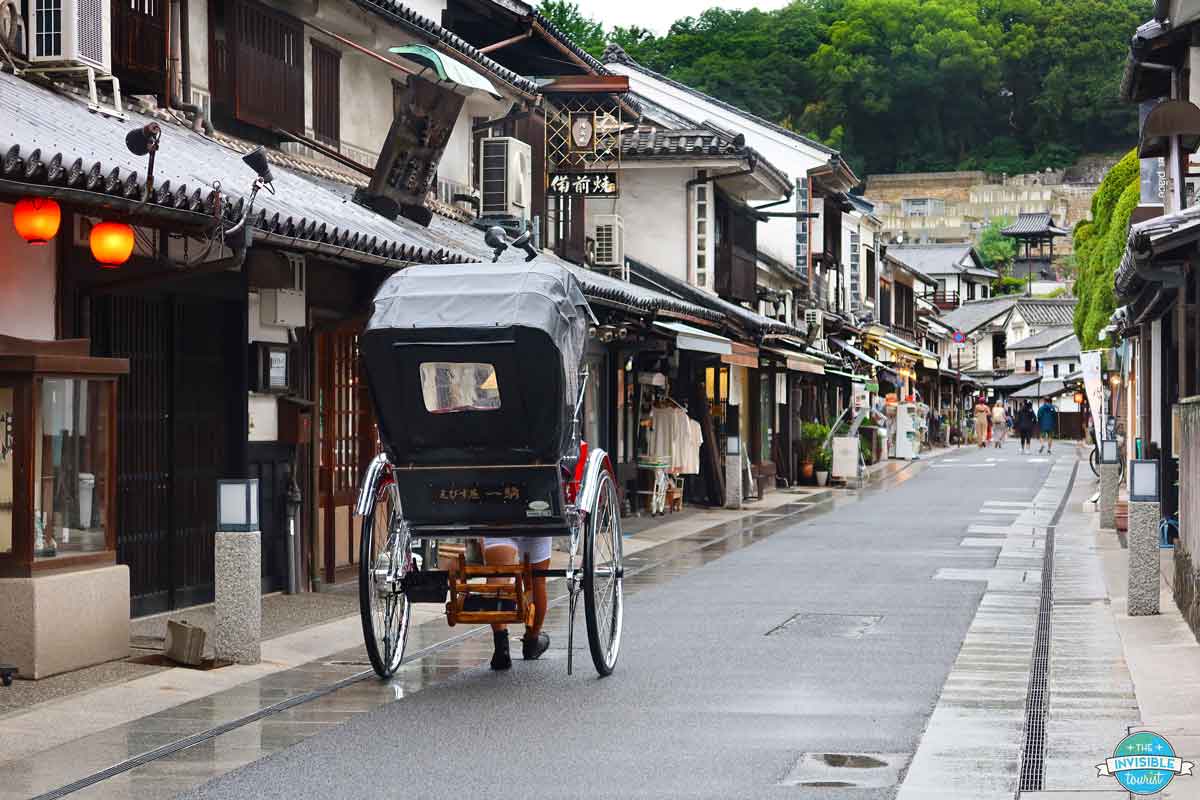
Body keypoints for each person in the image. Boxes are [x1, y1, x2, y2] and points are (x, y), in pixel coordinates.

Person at [481, 536, 551, 670]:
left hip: (498, 520)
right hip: (535, 523)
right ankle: (532, 640)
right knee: (537, 580)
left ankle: (501, 646)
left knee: (498, 575)